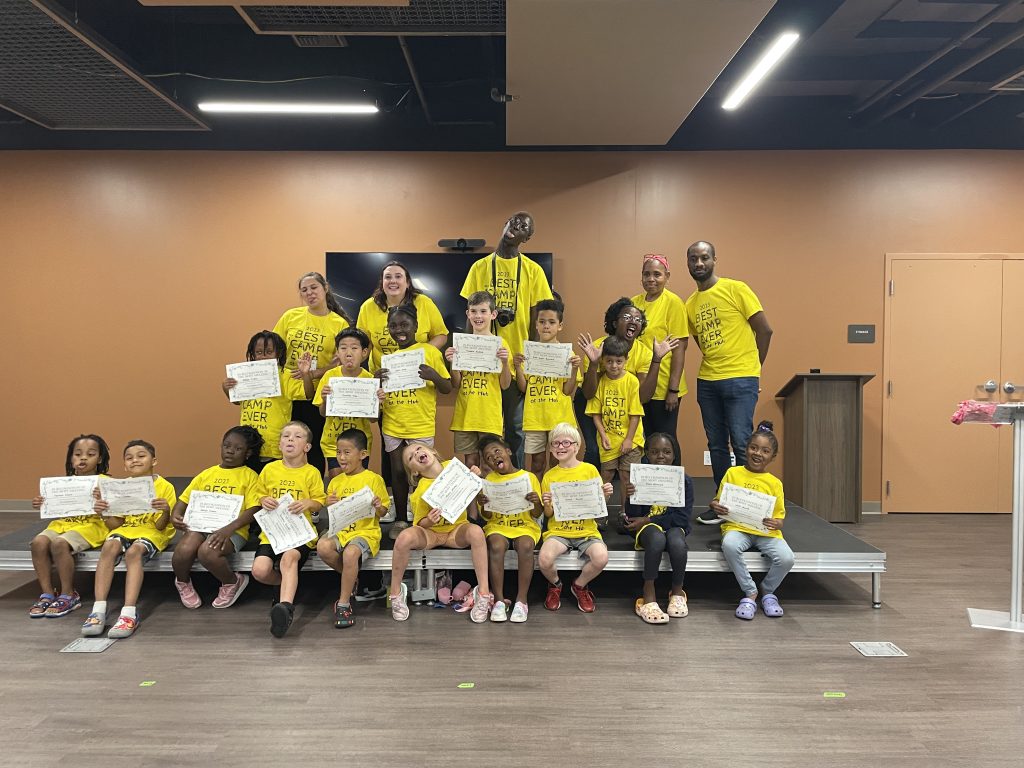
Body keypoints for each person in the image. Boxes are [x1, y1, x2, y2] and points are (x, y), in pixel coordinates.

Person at [684, 241, 773, 523]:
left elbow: (765, 330)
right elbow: (701, 343)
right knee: (717, 445)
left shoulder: (736, 289)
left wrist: (753, 370)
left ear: (714, 260)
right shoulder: (690, 304)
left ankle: (749, 506)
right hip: (708, 381)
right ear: (688, 263)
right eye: (694, 259)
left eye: (704, 258)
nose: (699, 263)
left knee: (742, 440)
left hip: (740, 378)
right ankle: (724, 503)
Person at [460, 211, 553, 463]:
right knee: (481, 430)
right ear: (504, 225)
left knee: (515, 430)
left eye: (524, 226)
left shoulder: (533, 271)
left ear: (528, 237)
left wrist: (530, 362)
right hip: (481, 365)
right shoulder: (479, 267)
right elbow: (469, 314)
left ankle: (513, 483)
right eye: (514, 221)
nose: (516, 227)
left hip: (514, 362)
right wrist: (467, 358)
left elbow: (538, 318)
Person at [356, 260, 448, 511]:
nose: (393, 281)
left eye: (399, 276)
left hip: (418, 403)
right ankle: (399, 509)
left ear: (407, 282)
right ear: (382, 282)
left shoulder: (424, 304)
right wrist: (368, 376)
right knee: (394, 459)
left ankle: (421, 509)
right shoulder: (368, 307)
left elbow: (440, 334)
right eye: (387, 277)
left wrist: (421, 355)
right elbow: (363, 343)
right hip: (386, 389)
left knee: (420, 461)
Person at [81, 440, 177, 638]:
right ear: (124, 465)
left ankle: (128, 613)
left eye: (141, 456)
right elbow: (115, 524)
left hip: (152, 532)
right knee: (109, 546)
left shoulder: (165, 487)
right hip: (126, 529)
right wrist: (104, 512)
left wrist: (165, 511)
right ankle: (98, 609)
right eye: (129, 458)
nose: (135, 460)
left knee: (134, 552)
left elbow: (161, 526)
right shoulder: (121, 487)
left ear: (154, 460)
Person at [388, 444, 494, 623]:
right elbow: (420, 522)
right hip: (431, 534)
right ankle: (396, 593)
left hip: (456, 529)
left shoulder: (454, 468)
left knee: (476, 532)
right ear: (413, 471)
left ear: (433, 452)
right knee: (403, 538)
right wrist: (429, 520)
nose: (418, 453)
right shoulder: (420, 489)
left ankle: (483, 593)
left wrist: (476, 476)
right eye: (411, 457)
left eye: (420, 449)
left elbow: (475, 492)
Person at [374, 303, 451, 538]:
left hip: (420, 423)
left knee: (423, 472)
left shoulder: (429, 352)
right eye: (394, 325)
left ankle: (422, 518)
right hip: (393, 423)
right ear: (388, 329)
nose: (400, 330)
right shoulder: (389, 359)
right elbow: (379, 395)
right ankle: (400, 518)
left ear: (416, 326)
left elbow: (447, 387)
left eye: (405, 324)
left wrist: (434, 376)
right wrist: (376, 380)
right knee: (397, 471)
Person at [169, 426, 263, 610]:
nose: (230, 450)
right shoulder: (207, 474)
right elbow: (184, 499)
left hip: (231, 532)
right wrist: (175, 515)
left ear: (247, 453)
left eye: (237, 448)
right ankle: (183, 582)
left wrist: (229, 529)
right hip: (201, 526)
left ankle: (231, 582)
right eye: (227, 445)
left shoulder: (250, 477)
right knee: (184, 549)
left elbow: (254, 508)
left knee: (207, 551)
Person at [709, 421, 793, 620]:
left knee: (787, 558)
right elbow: (717, 500)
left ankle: (767, 590)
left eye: (765, 451)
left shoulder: (775, 483)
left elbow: (780, 518)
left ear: (772, 457)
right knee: (729, 545)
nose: (757, 453)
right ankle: (750, 591)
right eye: (753, 447)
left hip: (765, 532)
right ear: (746, 449)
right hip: (737, 528)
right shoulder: (732, 473)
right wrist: (715, 506)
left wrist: (777, 524)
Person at [251, 422, 326, 638]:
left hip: (299, 533)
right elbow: (258, 493)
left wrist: (307, 503)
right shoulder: (269, 469)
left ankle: (285, 608)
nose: (290, 439)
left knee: (289, 559)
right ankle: (284, 586)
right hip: (273, 532)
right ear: (279, 443)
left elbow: (320, 501)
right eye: (286, 436)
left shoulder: (311, 472)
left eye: (297, 436)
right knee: (260, 570)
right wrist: (264, 499)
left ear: (307, 447)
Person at [273, 272, 352, 473]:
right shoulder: (290, 316)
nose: (309, 293)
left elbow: (340, 364)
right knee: (287, 445)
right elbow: (273, 351)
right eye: (304, 290)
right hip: (285, 392)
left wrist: (314, 374)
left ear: (325, 288)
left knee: (312, 446)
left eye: (314, 287)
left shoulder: (339, 324)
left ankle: (313, 495)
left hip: (316, 395)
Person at [29, 434, 112, 618]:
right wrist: (41, 502)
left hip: (92, 525)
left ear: (99, 459)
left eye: (90, 454)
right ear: (71, 458)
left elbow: (116, 509)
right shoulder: (62, 484)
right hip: (64, 523)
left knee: (59, 543)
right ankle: (47, 594)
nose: (83, 458)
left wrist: (104, 499)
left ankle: (69, 594)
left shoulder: (106, 482)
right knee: (38, 542)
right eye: (78, 454)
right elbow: (56, 507)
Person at [317, 429, 390, 629]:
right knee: (323, 547)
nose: (341, 457)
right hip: (340, 531)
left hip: (364, 532)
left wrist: (378, 506)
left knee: (350, 553)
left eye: (347, 452)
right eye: (338, 452)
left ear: (363, 455)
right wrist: (329, 504)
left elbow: (383, 512)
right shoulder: (335, 481)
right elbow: (333, 514)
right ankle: (351, 577)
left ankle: (343, 604)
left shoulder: (373, 479)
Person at [537, 422, 613, 613]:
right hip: (559, 532)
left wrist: (604, 497)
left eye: (566, 443)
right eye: (555, 443)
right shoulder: (549, 476)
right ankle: (555, 585)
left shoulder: (590, 470)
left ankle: (579, 585)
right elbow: (548, 514)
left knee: (601, 557)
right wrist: (547, 504)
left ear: (577, 446)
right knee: (544, 559)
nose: (560, 447)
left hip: (586, 531)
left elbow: (599, 508)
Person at [575, 299, 660, 466]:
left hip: (623, 404)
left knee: (631, 451)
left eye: (637, 319)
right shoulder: (597, 347)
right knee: (593, 450)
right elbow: (589, 393)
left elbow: (643, 398)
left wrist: (657, 360)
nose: (633, 321)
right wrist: (594, 363)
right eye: (627, 317)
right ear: (614, 323)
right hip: (593, 401)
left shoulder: (644, 352)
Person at [621, 433, 693, 624]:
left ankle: (677, 592)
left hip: (673, 524)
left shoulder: (684, 481)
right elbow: (633, 515)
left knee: (677, 541)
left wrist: (648, 519)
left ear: (674, 454)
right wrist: (630, 496)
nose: (661, 456)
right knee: (657, 539)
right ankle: (648, 592)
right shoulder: (640, 477)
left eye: (667, 452)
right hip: (649, 528)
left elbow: (682, 519)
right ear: (647, 454)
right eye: (654, 452)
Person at [475, 434, 542, 623]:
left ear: (508, 451)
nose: (494, 457)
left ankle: (521, 600)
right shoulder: (489, 480)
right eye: (488, 457)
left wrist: (535, 501)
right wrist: (483, 503)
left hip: (525, 525)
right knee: (496, 546)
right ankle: (498, 601)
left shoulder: (527, 477)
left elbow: (536, 514)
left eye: (497, 451)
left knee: (526, 546)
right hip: (498, 525)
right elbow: (487, 517)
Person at [222, 330, 313, 466]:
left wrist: (305, 374)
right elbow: (237, 401)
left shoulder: (285, 375)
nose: (263, 357)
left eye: (269, 352)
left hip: (273, 442)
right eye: (259, 353)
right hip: (247, 442)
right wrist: (226, 388)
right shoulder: (245, 374)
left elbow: (308, 394)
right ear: (252, 354)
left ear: (279, 353)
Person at [513, 298, 580, 477]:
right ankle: (539, 501)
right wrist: (518, 367)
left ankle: (554, 502)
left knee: (557, 463)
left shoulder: (567, 354)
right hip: (535, 417)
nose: (546, 326)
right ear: (536, 324)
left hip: (559, 417)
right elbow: (524, 388)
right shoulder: (529, 352)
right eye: (542, 322)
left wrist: (574, 370)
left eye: (551, 322)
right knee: (536, 463)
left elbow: (567, 391)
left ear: (560, 326)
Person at [446, 290, 511, 470]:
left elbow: (505, 385)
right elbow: (456, 384)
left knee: (491, 464)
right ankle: (475, 499)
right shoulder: (461, 344)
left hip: (489, 415)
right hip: (465, 414)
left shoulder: (501, 344)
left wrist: (505, 363)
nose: (478, 316)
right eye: (473, 311)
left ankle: (491, 499)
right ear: (468, 314)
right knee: (470, 464)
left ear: (493, 314)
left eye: (483, 311)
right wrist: (452, 363)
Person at [631, 254, 690, 439]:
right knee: (644, 439)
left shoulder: (674, 303)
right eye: (646, 274)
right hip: (639, 385)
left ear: (667, 276)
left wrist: (673, 390)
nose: (651, 279)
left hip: (664, 387)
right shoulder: (634, 303)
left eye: (657, 274)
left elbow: (680, 348)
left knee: (665, 440)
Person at [585, 336, 646, 500]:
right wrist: (603, 436)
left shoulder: (632, 381)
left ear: (626, 360)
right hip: (608, 439)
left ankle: (625, 512)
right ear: (603, 361)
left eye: (618, 361)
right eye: (609, 361)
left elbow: (635, 414)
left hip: (631, 439)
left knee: (627, 477)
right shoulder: (601, 382)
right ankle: (601, 512)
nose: (614, 365)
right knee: (606, 475)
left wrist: (628, 439)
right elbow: (595, 413)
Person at [313, 327, 376, 481]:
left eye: (354, 348)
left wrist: (377, 402)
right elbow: (322, 413)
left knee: (356, 482)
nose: (349, 353)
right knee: (338, 483)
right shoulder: (330, 376)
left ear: (364, 352)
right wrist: (326, 399)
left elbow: (374, 419)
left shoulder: (370, 380)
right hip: (333, 441)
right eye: (343, 348)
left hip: (359, 443)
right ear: (338, 352)